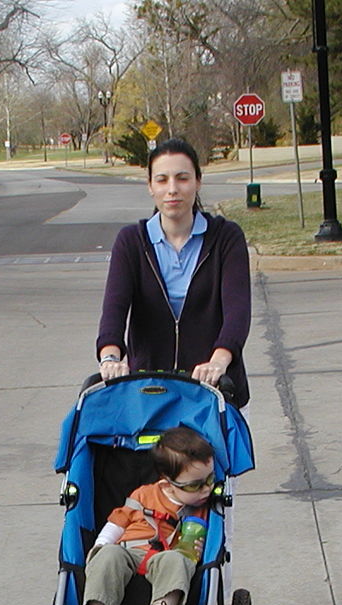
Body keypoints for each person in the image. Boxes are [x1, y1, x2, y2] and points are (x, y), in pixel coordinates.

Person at [95, 138, 252, 408]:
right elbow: (114, 309)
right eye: (162, 180)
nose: (172, 190)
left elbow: (237, 312)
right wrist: (110, 358)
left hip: (212, 388)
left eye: (182, 178)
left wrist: (219, 361)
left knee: (226, 449)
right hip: (150, 389)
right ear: (150, 187)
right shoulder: (132, 242)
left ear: (198, 182)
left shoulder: (226, 238)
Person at [74, 426, 215, 605]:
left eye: (210, 479)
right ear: (169, 482)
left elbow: (200, 545)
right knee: (109, 555)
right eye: (195, 485)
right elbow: (118, 521)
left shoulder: (202, 509)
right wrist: (100, 545)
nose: (207, 489)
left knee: (177, 561)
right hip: (129, 551)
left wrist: (199, 549)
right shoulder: (144, 494)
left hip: (166, 556)